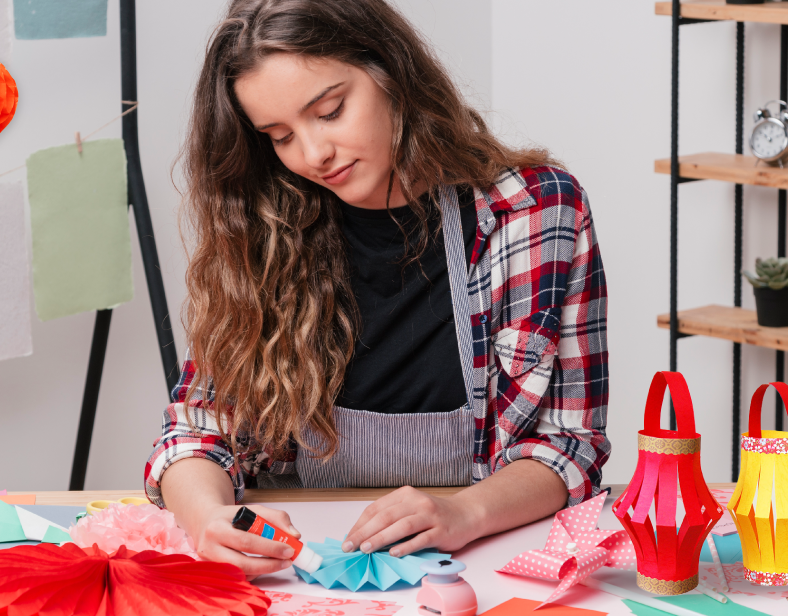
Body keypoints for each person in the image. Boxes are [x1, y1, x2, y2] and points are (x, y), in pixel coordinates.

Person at [144, 0, 610, 577]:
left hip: (476, 558)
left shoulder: (535, 210)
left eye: (331, 111)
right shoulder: (260, 225)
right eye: (280, 136)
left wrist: (465, 512)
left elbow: (571, 443)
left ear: (392, 72)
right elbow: (196, 432)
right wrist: (208, 516)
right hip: (298, 565)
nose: (314, 155)